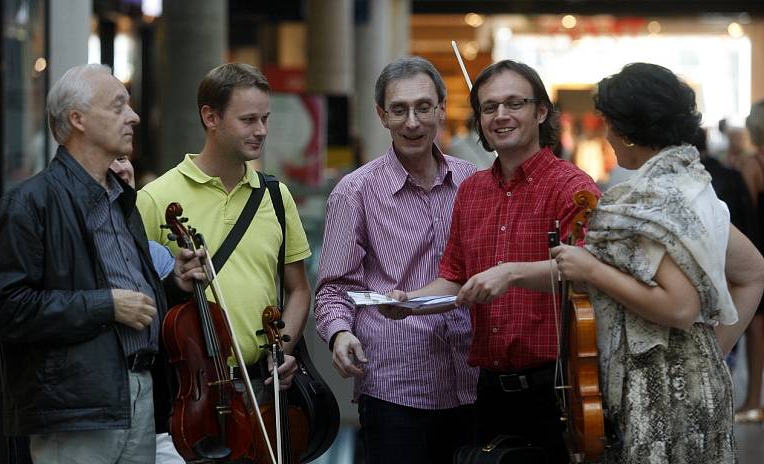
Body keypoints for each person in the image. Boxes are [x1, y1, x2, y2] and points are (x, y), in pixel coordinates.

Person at [0, 63, 205, 464]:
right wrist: (106, 305)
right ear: (77, 119)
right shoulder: (30, 203)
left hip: (138, 393)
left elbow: (130, 296)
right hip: (76, 410)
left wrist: (173, 285)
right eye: (118, 106)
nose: (133, 116)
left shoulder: (121, 199)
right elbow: (5, 310)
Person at [383, 60, 600, 462]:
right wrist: (409, 301)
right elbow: (453, 278)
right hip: (488, 392)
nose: (501, 115)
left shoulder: (572, 187)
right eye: (489, 107)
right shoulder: (472, 191)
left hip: (556, 388)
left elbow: (590, 272)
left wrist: (511, 273)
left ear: (540, 112)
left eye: (514, 103)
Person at [550, 63, 764, 462]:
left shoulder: (655, 199)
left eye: (610, 124)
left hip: (659, 398)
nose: (608, 135)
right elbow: (753, 273)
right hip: (702, 389)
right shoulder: (696, 187)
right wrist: (710, 353)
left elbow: (680, 307)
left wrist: (593, 271)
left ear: (629, 130)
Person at [314, 56, 479, 464]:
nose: (412, 122)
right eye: (399, 110)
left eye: (423, 107)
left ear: (442, 109)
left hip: (473, 377)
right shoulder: (355, 192)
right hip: (395, 386)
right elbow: (334, 289)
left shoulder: (474, 183)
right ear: (381, 115)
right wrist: (339, 334)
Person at [136, 63, 311, 401]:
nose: (261, 130)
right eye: (248, 120)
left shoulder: (276, 196)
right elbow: (140, 298)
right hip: (190, 390)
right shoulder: (154, 198)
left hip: (264, 387)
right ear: (210, 117)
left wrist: (283, 349)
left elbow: (299, 289)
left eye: (265, 119)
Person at [110, 156, 186, 464]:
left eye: (124, 157)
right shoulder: (67, 236)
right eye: (109, 156)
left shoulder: (155, 253)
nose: (121, 168)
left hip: (154, 417)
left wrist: (179, 285)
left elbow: (173, 329)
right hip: (93, 413)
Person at [731, 100, 764, 423]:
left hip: (757, 250)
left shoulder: (752, 164)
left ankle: (754, 399)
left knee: (756, 328)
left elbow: (745, 214)